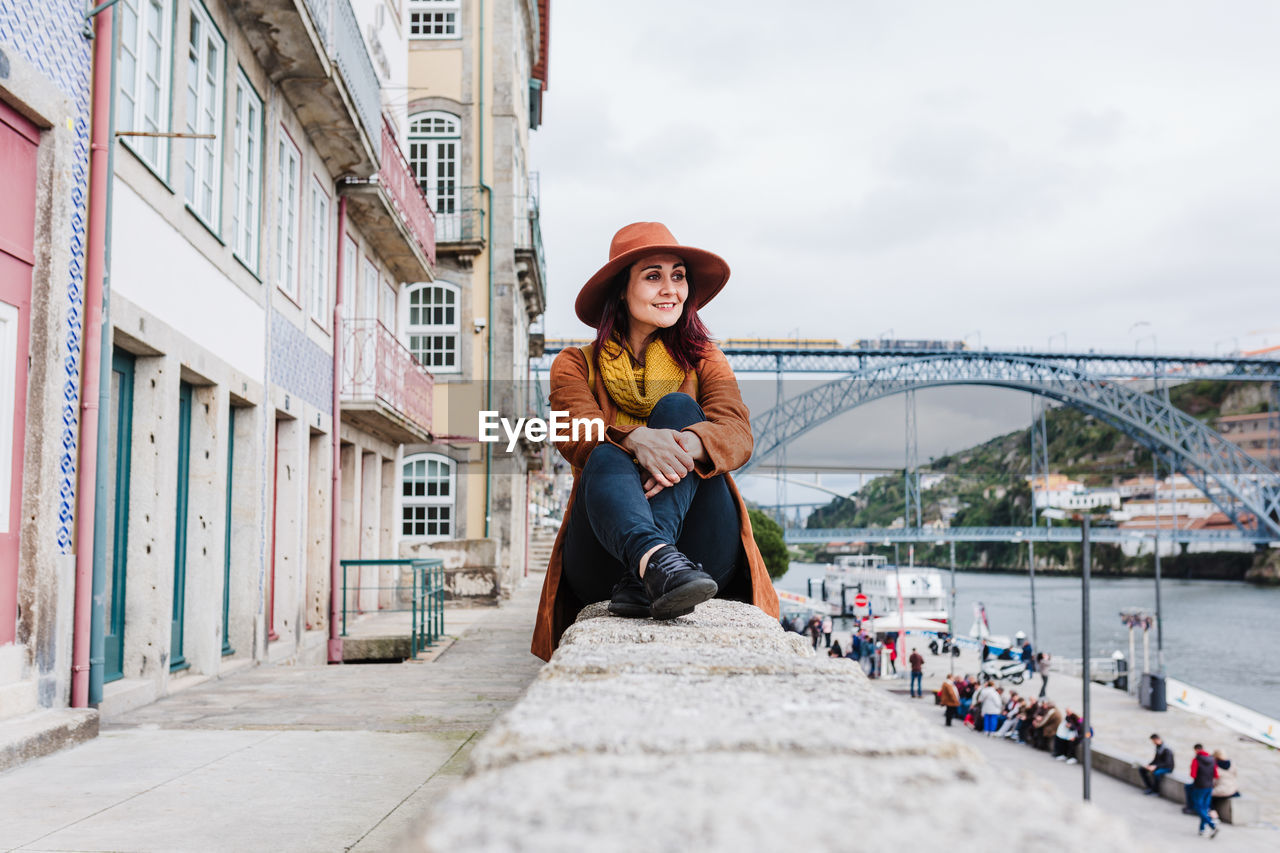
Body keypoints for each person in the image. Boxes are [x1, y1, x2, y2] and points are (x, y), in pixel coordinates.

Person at [531, 223, 780, 660]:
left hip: (697, 555)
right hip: (604, 554)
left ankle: (654, 563)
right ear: (620, 291)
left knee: (679, 412)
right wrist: (636, 440)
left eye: (679, 275)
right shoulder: (574, 364)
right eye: (653, 276)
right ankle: (651, 557)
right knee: (603, 450)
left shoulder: (705, 360)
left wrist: (682, 443)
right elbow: (574, 433)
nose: (671, 289)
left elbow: (738, 435)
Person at [1184, 743, 1219, 838]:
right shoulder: (1212, 760)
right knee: (1204, 808)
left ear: (1196, 750)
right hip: (1209, 787)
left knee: (1198, 808)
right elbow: (1216, 775)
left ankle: (1212, 825)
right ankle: (1202, 829)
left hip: (1199, 787)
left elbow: (1193, 775)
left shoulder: (1196, 760)